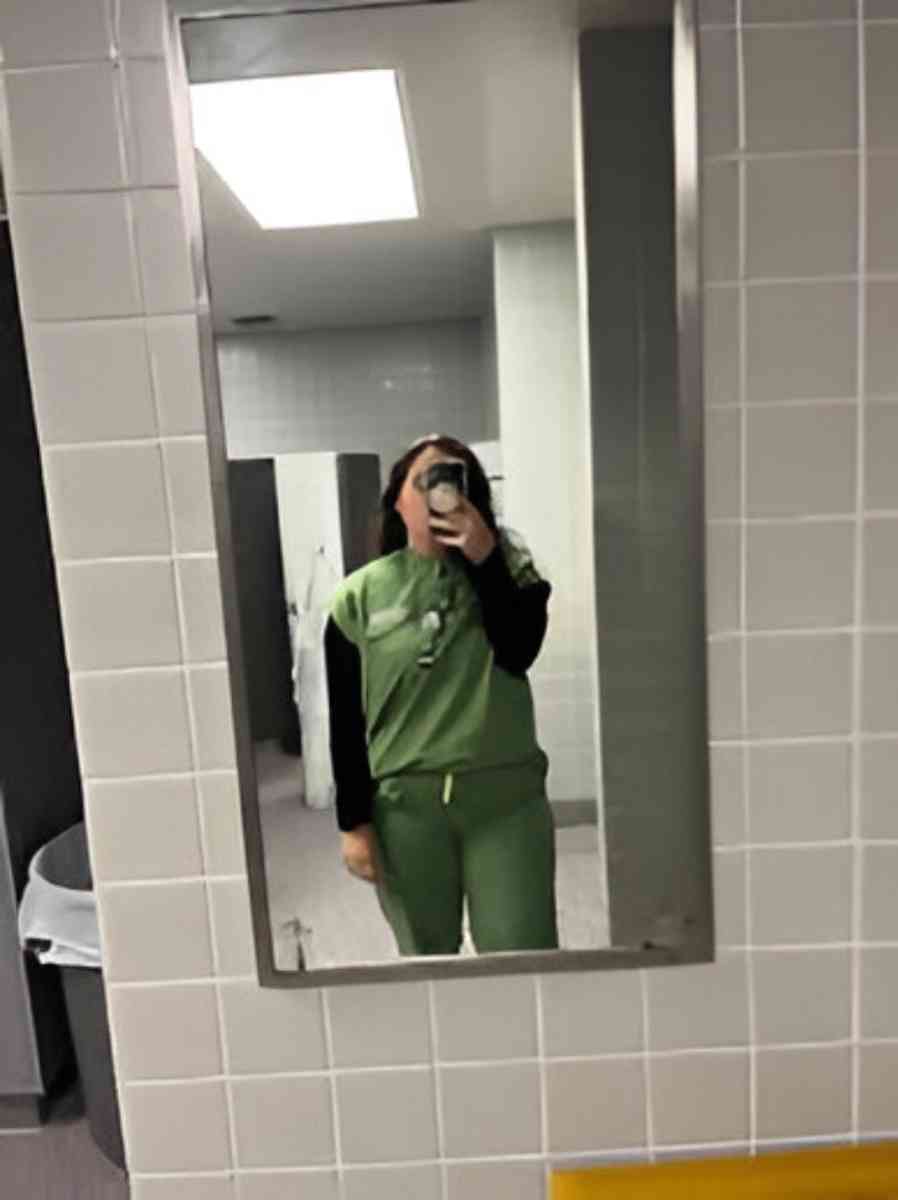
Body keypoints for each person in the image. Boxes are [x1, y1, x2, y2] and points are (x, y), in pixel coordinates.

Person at [323, 434, 558, 956]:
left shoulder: (514, 573)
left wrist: (485, 559)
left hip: (506, 801)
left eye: (455, 479)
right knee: (426, 961)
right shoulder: (358, 597)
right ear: (398, 501)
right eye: (425, 480)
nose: (441, 492)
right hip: (406, 811)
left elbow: (519, 650)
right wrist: (353, 824)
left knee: (523, 954)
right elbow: (346, 719)